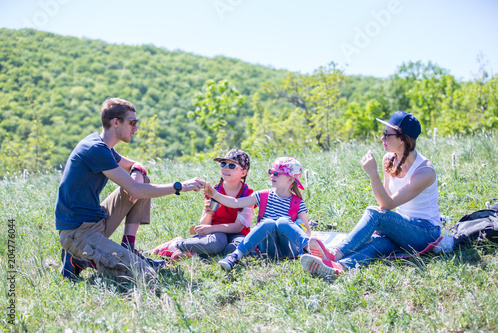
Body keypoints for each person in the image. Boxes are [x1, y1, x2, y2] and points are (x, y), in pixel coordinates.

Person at [55, 97, 205, 282]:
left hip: (96, 220)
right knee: (143, 274)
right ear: (115, 122)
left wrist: (137, 176)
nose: (135, 128)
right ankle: (77, 259)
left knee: (142, 180)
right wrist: (180, 186)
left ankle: (128, 247)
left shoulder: (104, 146)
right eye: (132, 122)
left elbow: (136, 165)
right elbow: (137, 190)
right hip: (78, 232)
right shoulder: (95, 149)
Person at [300, 111, 442, 278]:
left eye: (386, 134)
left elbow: (387, 205)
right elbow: (387, 199)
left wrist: (373, 174)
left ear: (403, 139)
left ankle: (335, 253)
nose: (382, 138)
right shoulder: (390, 158)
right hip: (405, 228)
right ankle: (340, 267)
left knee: (374, 213)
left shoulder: (424, 172)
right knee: (377, 244)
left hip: (425, 233)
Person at [205, 157, 311, 271]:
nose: (272, 175)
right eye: (271, 172)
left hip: (289, 248)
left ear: (290, 180)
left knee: (283, 222)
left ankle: (313, 252)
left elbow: (308, 231)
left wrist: (296, 228)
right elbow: (235, 203)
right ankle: (235, 255)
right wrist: (215, 195)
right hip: (267, 248)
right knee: (268, 223)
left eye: (276, 173)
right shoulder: (262, 195)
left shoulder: (297, 202)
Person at [150, 149, 254, 261]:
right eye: (223, 164)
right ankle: (176, 244)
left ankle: (192, 253)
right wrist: (208, 214)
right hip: (216, 234)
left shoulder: (248, 194)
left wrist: (211, 228)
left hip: (236, 233)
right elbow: (204, 223)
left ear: (243, 172)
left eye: (232, 166)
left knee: (236, 248)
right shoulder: (214, 190)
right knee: (217, 243)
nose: (225, 168)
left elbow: (238, 227)